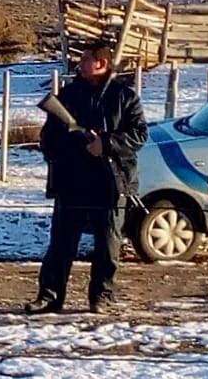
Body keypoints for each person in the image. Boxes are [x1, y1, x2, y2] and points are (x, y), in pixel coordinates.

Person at [25, 45, 148, 315]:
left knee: (108, 246)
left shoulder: (124, 97)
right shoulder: (68, 96)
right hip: (73, 182)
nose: (80, 64)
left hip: (110, 182)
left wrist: (105, 144)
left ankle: (101, 297)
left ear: (101, 63)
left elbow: (139, 135)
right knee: (60, 245)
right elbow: (49, 139)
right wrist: (73, 146)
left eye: (86, 59)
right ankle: (50, 297)